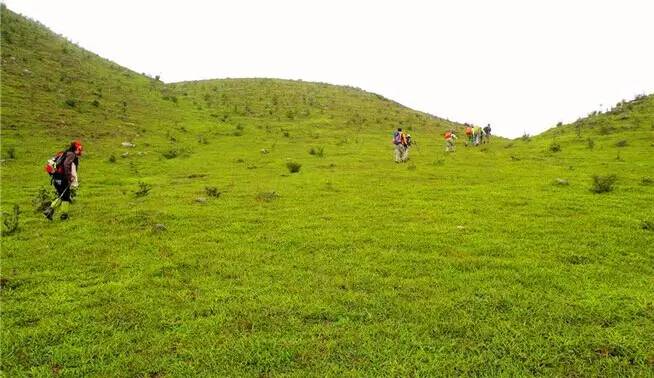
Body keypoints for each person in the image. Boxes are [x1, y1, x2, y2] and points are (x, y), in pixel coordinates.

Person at [43, 140, 83, 220]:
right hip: (62, 178)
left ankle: (49, 210)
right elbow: (66, 164)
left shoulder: (64, 153)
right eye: (79, 149)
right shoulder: (71, 154)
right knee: (66, 197)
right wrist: (70, 177)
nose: (80, 151)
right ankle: (64, 215)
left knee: (62, 196)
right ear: (76, 148)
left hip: (56, 178)